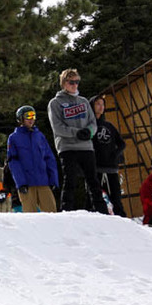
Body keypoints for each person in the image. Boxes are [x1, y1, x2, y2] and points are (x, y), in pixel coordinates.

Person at [47, 69, 109, 214]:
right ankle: (66, 210)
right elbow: (57, 127)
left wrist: (89, 132)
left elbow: (93, 122)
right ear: (64, 83)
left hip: (86, 146)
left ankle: (102, 210)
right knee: (70, 180)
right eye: (71, 82)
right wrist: (77, 133)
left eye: (77, 82)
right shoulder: (55, 103)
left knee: (93, 180)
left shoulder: (84, 101)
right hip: (67, 147)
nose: (74, 85)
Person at [7, 105, 58, 213]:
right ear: (21, 119)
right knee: (30, 214)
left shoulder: (39, 136)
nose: (31, 119)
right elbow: (13, 162)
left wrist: (53, 179)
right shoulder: (14, 138)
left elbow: (49, 158)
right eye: (28, 116)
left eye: (33, 116)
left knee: (52, 212)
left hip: (43, 181)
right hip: (27, 183)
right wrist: (20, 183)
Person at [88, 95, 126, 216]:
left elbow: (122, 143)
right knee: (93, 195)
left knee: (116, 195)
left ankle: (121, 217)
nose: (101, 107)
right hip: (95, 166)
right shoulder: (88, 126)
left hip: (111, 167)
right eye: (98, 104)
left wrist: (115, 154)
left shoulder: (109, 126)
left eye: (102, 104)